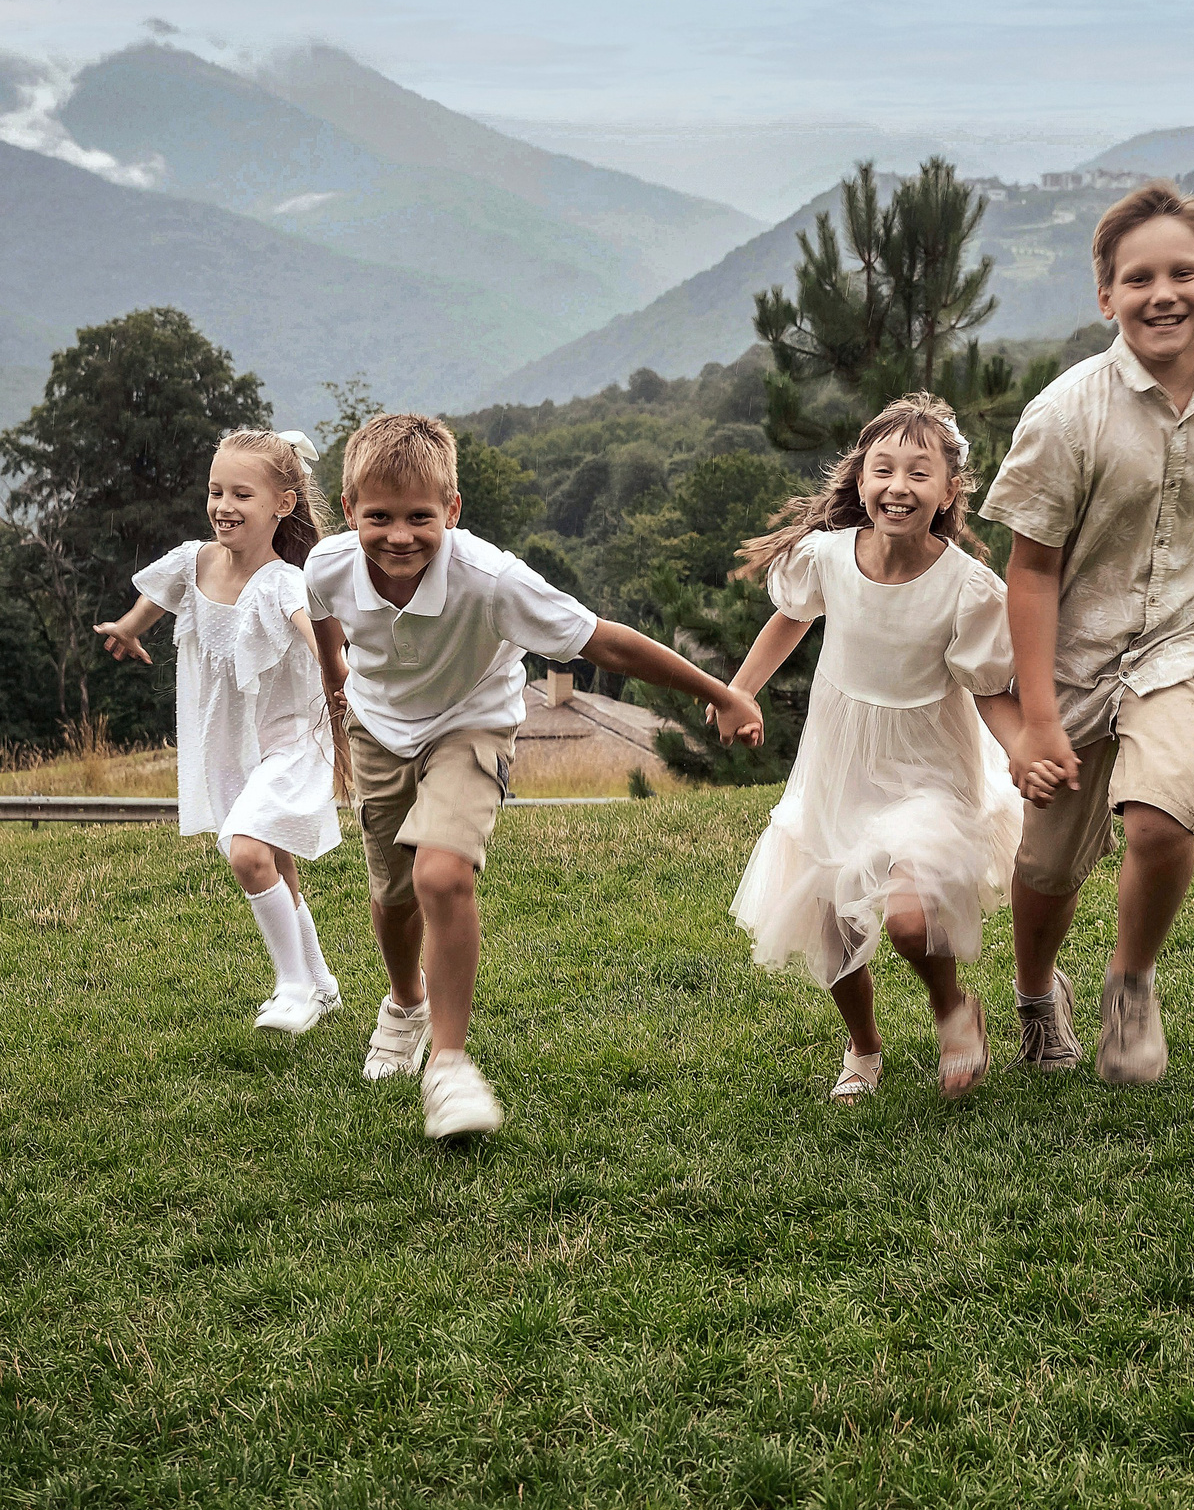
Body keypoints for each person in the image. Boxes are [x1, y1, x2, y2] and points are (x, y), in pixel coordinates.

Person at [301, 413, 765, 1139]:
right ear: (350, 508)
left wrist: (721, 693)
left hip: (471, 722)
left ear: (452, 511)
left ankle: (449, 1066)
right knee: (392, 893)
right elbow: (323, 612)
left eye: (420, 516)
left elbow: (604, 641)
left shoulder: (491, 579)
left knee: (441, 876)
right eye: (379, 516)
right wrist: (335, 674)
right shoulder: (326, 563)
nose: (399, 535)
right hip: (378, 728)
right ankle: (404, 1003)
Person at [982, 179, 1194, 1084]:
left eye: (1181, 272)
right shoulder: (1063, 415)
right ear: (1106, 297)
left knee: (1163, 817)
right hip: (1079, 653)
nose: (1161, 293)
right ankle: (1038, 995)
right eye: (1137, 279)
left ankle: (1131, 986)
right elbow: (1032, 569)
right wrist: (1039, 717)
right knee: (1048, 863)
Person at [717, 393, 1061, 1102]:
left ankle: (952, 1010)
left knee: (908, 919)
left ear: (948, 492)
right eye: (883, 469)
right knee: (828, 921)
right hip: (838, 763)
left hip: (929, 772)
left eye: (918, 472)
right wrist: (739, 691)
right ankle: (864, 1047)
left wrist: (1024, 748)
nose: (897, 486)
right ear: (862, 479)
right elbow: (789, 618)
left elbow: (991, 689)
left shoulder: (967, 590)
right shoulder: (827, 557)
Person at [94, 429, 351, 1034]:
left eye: (242, 494)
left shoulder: (287, 581)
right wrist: (129, 630)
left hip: (290, 741)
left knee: (249, 851)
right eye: (216, 492)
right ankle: (320, 983)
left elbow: (318, 633)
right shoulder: (194, 560)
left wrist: (339, 678)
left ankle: (293, 988)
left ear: (282, 506)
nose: (223, 506)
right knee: (275, 861)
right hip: (231, 745)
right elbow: (153, 598)